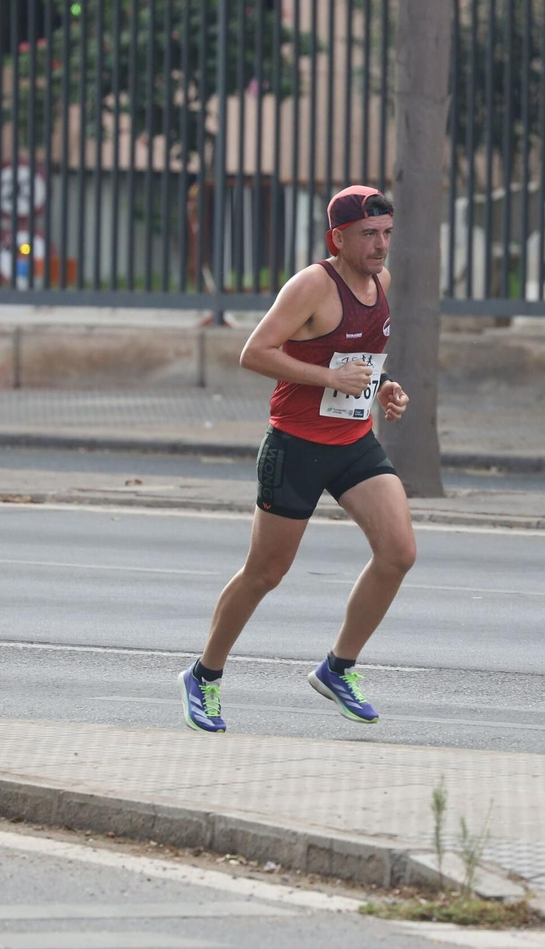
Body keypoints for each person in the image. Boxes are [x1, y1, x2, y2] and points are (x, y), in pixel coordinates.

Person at [180, 185, 414, 733]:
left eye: (386, 234)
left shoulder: (383, 281)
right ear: (338, 238)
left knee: (399, 552)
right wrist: (331, 378)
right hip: (296, 446)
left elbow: (362, 353)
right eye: (368, 236)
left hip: (354, 443)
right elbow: (253, 352)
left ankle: (338, 669)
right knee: (266, 572)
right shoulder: (312, 285)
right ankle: (204, 675)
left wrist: (381, 388)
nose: (381, 246)